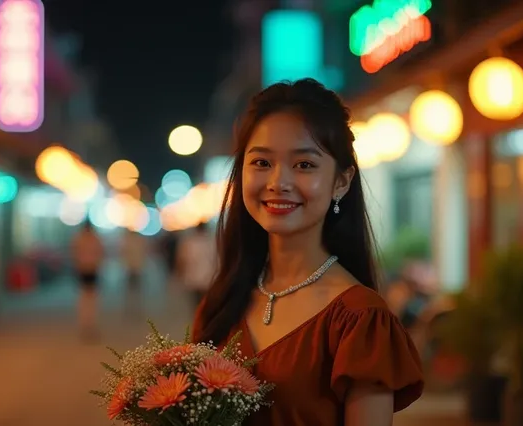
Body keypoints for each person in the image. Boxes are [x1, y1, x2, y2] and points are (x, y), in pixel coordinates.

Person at [192, 79, 424, 426]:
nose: (278, 182)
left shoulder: (360, 320)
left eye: (304, 165)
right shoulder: (224, 299)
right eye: (261, 163)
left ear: (341, 182)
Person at [71, 221, 104, 339]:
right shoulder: (93, 239)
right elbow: (100, 253)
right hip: (89, 269)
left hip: (86, 269)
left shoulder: (80, 238)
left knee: (87, 298)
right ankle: (88, 323)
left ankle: (87, 323)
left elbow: (75, 253)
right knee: (88, 298)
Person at [176, 223, 217, 310]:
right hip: (209, 279)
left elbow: (182, 260)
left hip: (193, 279)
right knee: (207, 303)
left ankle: (198, 318)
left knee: (196, 303)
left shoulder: (189, 243)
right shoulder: (212, 242)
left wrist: (180, 275)